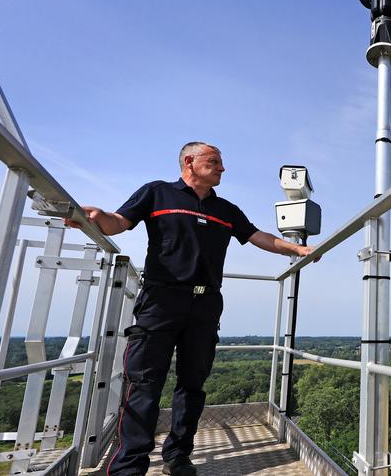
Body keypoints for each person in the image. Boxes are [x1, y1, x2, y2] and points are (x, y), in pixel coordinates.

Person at [68, 141, 314, 476]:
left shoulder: (226, 210)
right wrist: (93, 219)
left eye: (221, 163)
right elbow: (118, 222)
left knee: (193, 384)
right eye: (214, 162)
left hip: (206, 304)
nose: (222, 168)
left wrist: (298, 251)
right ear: (189, 162)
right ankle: (129, 466)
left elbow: (258, 236)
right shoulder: (157, 193)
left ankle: (178, 455)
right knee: (144, 383)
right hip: (161, 301)